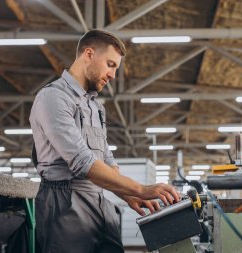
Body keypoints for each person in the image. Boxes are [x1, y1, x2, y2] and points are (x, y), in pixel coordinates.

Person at [29, 29, 180, 253]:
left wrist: (127, 195)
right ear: (88, 54)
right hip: (64, 205)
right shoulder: (53, 97)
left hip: (98, 200)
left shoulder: (95, 106)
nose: (113, 75)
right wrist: (140, 189)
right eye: (110, 64)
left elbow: (106, 158)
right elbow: (82, 161)